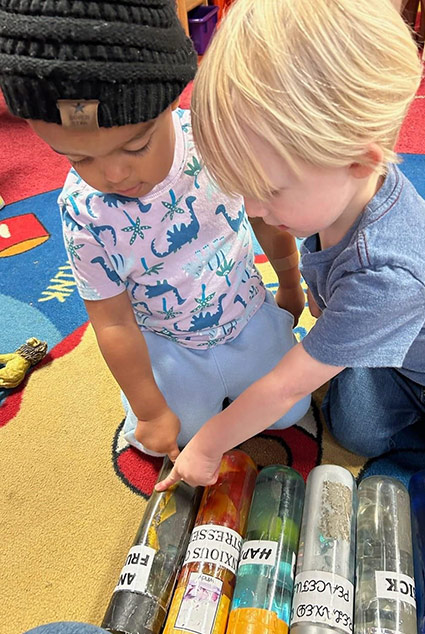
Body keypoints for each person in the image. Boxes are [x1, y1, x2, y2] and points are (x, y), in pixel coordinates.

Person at [156, 0, 425, 490]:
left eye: (268, 190)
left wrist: (209, 442)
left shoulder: (386, 274)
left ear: (357, 159)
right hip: (405, 360)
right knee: (353, 426)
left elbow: (287, 383)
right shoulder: (341, 192)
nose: (252, 208)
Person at [0, 0, 310, 461]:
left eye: (137, 144)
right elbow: (113, 321)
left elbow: (265, 218)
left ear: (173, 99)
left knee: (291, 409)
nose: (114, 175)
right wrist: (148, 411)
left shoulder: (214, 142)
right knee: (173, 435)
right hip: (169, 343)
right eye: (77, 158)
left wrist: (290, 285)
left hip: (248, 313)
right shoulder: (84, 213)